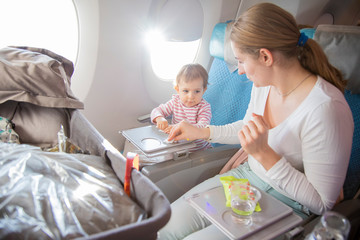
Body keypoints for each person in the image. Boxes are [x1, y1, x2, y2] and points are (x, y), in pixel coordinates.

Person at [158, 3, 354, 239]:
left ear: (265, 56)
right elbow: (247, 128)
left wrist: (263, 154)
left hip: (288, 203)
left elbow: (322, 204)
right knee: (164, 228)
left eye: (240, 60)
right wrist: (201, 132)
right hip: (244, 179)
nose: (239, 70)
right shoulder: (264, 85)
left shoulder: (326, 109)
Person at [151, 63, 212, 151]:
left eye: (197, 91)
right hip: (177, 147)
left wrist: (181, 128)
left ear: (204, 90)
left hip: (198, 150)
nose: (191, 96)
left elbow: (203, 127)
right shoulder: (175, 102)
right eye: (186, 91)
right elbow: (157, 110)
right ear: (178, 89)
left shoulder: (204, 107)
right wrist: (159, 118)